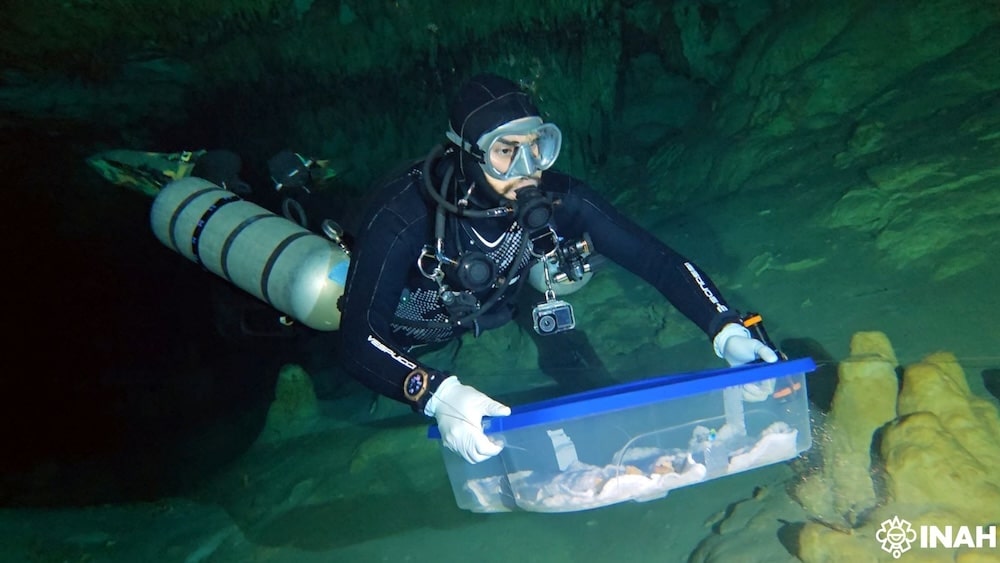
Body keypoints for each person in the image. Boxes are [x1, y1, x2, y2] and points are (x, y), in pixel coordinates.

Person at [334, 73, 779, 464]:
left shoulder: (560, 198)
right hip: (402, 327)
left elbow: (657, 260)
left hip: (493, 303)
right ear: (471, 156)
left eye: (537, 147)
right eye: (506, 151)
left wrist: (726, 327)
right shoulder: (404, 216)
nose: (529, 170)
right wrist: (437, 395)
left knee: (559, 314)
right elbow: (357, 340)